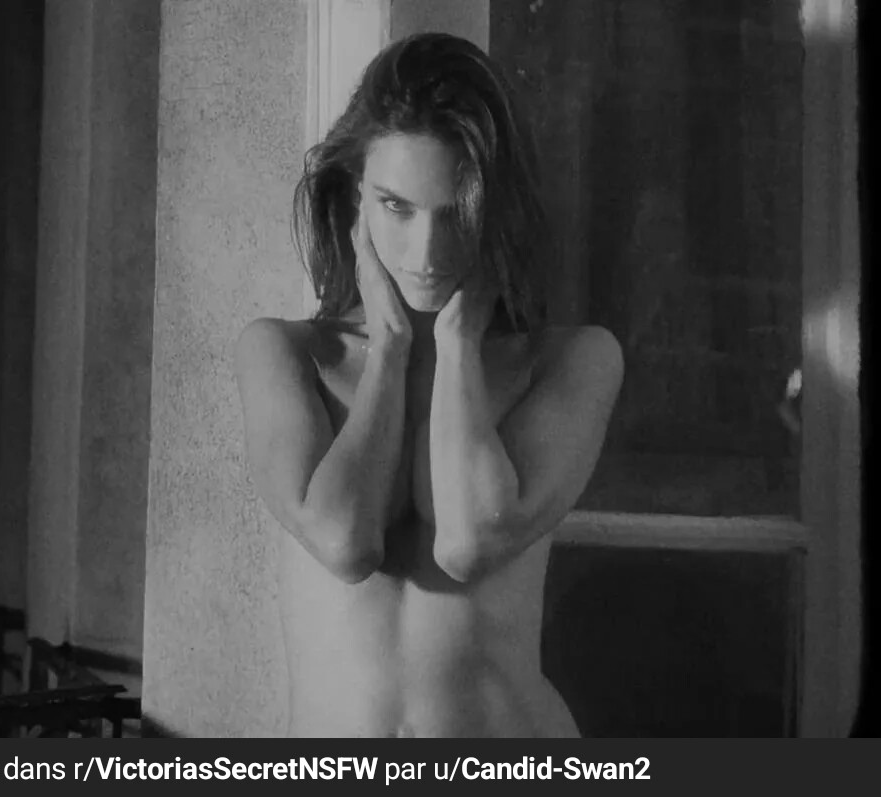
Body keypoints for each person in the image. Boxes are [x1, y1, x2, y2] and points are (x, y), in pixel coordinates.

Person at [233, 33, 623, 738]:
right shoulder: (283, 354)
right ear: (353, 198)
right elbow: (344, 540)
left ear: (495, 208)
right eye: (396, 206)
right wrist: (389, 346)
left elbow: (470, 542)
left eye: (457, 213)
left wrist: (459, 340)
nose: (427, 252)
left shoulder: (571, 361)